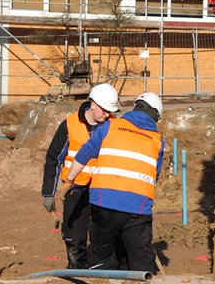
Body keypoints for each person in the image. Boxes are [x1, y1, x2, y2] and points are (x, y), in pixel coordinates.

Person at [61, 92, 165, 273]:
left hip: (104, 203)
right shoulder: (157, 141)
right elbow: (154, 175)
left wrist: (69, 180)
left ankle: (100, 274)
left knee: (101, 255)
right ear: (156, 116)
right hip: (138, 208)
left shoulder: (110, 126)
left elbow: (84, 155)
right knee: (140, 258)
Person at [41, 82, 119, 269]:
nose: (108, 114)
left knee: (104, 230)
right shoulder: (70, 125)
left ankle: (103, 268)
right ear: (93, 104)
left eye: (110, 111)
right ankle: (77, 267)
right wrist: (48, 193)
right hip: (74, 188)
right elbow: (53, 159)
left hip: (103, 188)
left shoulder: (114, 125)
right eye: (105, 110)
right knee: (74, 232)